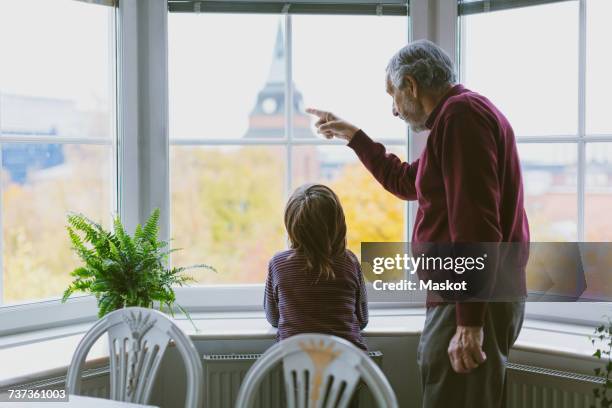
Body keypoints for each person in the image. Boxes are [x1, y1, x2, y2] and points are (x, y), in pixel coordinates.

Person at [306, 39, 529, 408]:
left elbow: (476, 226)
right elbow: (409, 182)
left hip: (470, 296)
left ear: (411, 85)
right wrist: (354, 137)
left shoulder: (461, 118)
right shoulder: (457, 117)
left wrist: (469, 323)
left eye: (393, 95)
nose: (394, 110)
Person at [264, 183, 368, 351]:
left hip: (296, 364)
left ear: (291, 225)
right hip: (347, 364)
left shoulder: (278, 264)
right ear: (338, 223)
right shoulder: (350, 262)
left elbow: (273, 317)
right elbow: (362, 319)